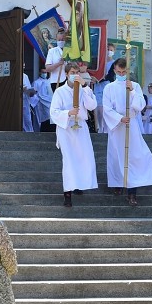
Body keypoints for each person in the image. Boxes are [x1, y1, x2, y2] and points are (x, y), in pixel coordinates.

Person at [102, 58, 152, 205]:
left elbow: (140, 105)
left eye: (124, 72)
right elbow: (107, 108)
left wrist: (133, 91)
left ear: (128, 71)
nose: (121, 74)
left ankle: (132, 191)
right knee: (116, 155)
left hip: (132, 124)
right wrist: (119, 118)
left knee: (133, 156)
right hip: (117, 125)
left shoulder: (134, 86)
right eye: (119, 72)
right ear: (115, 71)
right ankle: (117, 183)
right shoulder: (109, 88)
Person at [50, 62, 98, 206]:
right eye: (72, 72)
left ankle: (79, 185)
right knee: (69, 160)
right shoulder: (60, 91)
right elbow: (53, 112)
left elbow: (92, 106)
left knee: (84, 157)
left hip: (81, 127)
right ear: (66, 74)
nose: (75, 75)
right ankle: (67, 193)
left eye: (77, 72)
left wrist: (85, 86)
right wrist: (68, 113)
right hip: (66, 128)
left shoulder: (83, 89)